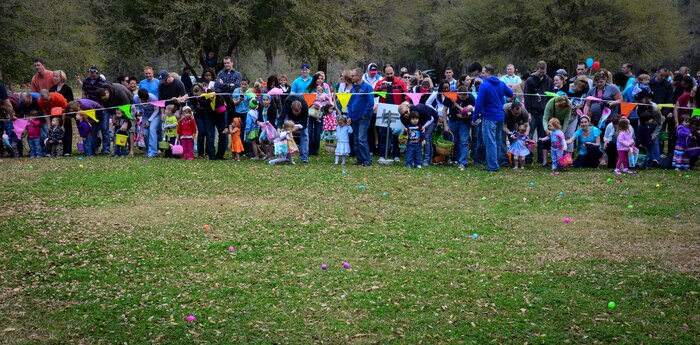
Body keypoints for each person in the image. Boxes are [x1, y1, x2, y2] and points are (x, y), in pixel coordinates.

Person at [473, 65, 513, 172]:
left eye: (483, 72)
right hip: (500, 116)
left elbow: (479, 103)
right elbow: (511, 93)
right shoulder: (501, 83)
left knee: (490, 142)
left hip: (489, 117)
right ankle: (496, 163)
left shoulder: (484, 85)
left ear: (489, 73)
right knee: (497, 141)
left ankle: (492, 166)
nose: (482, 74)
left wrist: (474, 117)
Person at [374, 64, 407, 162]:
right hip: (384, 110)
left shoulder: (400, 82)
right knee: (383, 133)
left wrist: (405, 105)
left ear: (394, 72)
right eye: (387, 73)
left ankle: (396, 155)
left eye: (391, 73)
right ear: (384, 73)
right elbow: (373, 94)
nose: (389, 75)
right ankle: (383, 154)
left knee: (396, 134)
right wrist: (380, 88)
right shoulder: (380, 82)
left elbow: (406, 95)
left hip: (397, 109)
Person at [523, 61, 553, 164]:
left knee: (542, 135)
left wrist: (549, 112)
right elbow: (526, 97)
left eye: (543, 72)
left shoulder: (549, 81)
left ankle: (540, 157)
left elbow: (551, 97)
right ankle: (528, 157)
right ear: (536, 69)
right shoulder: (530, 80)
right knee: (529, 135)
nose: (541, 74)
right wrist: (528, 112)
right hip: (533, 111)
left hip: (544, 112)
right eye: (540, 72)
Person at [443, 85, 475, 168]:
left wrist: (464, 116)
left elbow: (473, 113)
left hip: (465, 121)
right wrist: (445, 124)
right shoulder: (451, 96)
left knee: (464, 141)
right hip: (453, 120)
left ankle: (463, 162)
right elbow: (445, 110)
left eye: (466, 96)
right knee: (455, 140)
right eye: (463, 97)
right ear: (458, 94)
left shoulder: (471, 98)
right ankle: (457, 159)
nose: (465, 98)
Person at [347, 68, 374, 166]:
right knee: (356, 140)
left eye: (353, 75)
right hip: (354, 118)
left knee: (362, 139)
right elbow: (349, 103)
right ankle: (360, 160)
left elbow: (370, 102)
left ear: (358, 76)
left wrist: (365, 115)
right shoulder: (353, 89)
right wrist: (349, 115)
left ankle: (367, 160)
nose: (351, 77)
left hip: (363, 118)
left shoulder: (367, 88)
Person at [82, 65, 109, 153]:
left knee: (104, 128)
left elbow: (106, 94)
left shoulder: (102, 82)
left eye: (93, 72)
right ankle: (93, 148)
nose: (92, 74)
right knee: (93, 129)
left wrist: (104, 106)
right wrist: (84, 105)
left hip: (102, 107)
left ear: (97, 72)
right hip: (91, 108)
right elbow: (84, 93)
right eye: (90, 72)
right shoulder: (86, 81)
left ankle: (106, 149)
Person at [634, 87, 663, 168]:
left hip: (655, 124)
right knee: (646, 142)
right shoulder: (638, 108)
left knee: (655, 141)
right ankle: (646, 160)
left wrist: (654, 134)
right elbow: (640, 122)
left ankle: (656, 160)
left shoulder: (655, 108)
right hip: (645, 125)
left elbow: (660, 123)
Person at [542, 96, 572, 166]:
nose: (560, 109)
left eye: (562, 107)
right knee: (547, 142)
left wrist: (562, 132)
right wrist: (546, 129)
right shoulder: (550, 103)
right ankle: (545, 162)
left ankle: (564, 163)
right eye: (559, 107)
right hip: (551, 122)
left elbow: (567, 119)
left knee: (563, 143)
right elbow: (545, 118)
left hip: (560, 123)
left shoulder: (569, 104)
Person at [308, 77, 333, 156]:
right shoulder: (310, 89)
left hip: (319, 112)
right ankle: (309, 149)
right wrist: (317, 99)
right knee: (309, 131)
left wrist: (321, 100)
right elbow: (306, 98)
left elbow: (328, 100)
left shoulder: (325, 89)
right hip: (311, 111)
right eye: (318, 78)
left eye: (322, 79)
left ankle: (315, 150)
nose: (320, 80)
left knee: (318, 132)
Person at [133, 89, 160, 157]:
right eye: (144, 100)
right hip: (145, 115)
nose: (146, 101)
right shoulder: (135, 98)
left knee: (152, 130)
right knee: (145, 133)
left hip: (155, 115)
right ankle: (148, 149)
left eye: (147, 99)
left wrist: (149, 121)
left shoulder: (153, 98)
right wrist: (138, 112)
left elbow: (156, 110)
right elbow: (137, 107)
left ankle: (153, 151)